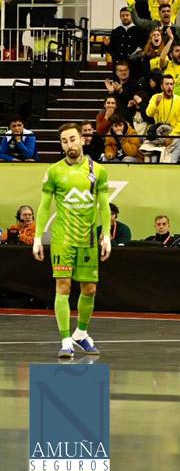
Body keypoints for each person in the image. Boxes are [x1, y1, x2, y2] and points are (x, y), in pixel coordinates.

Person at [32, 122, 112, 358]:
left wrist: (106, 234)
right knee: (63, 286)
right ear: (61, 144)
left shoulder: (98, 171)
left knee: (89, 289)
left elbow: (104, 205)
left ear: (82, 139)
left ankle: (81, 333)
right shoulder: (54, 172)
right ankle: (66, 340)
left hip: (87, 239)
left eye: (73, 139)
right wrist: (38, 237)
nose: (69, 144)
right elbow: (44, 206)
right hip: (62, 238)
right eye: (64, 141)